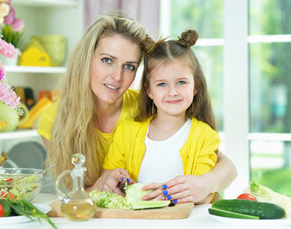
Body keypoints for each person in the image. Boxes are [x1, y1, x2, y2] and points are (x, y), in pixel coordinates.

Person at [38, 14, 237, 200]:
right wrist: (100, 186)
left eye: (130, 66)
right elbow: (70, 197)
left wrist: (207, 183)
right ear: (86, 59)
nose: (117, 76)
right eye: (107, 60)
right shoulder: (54, 119)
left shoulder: (146, 107)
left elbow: (226, 167)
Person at [103, 30, 221, 204]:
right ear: (149, 90)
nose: (172, 92)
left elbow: (202, 194)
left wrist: (165, 196)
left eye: (181, 82)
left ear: (195, 86)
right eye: (162, 84)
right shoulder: (127, 131)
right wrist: (117, 184)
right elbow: (107, 177)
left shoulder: (205, 136)